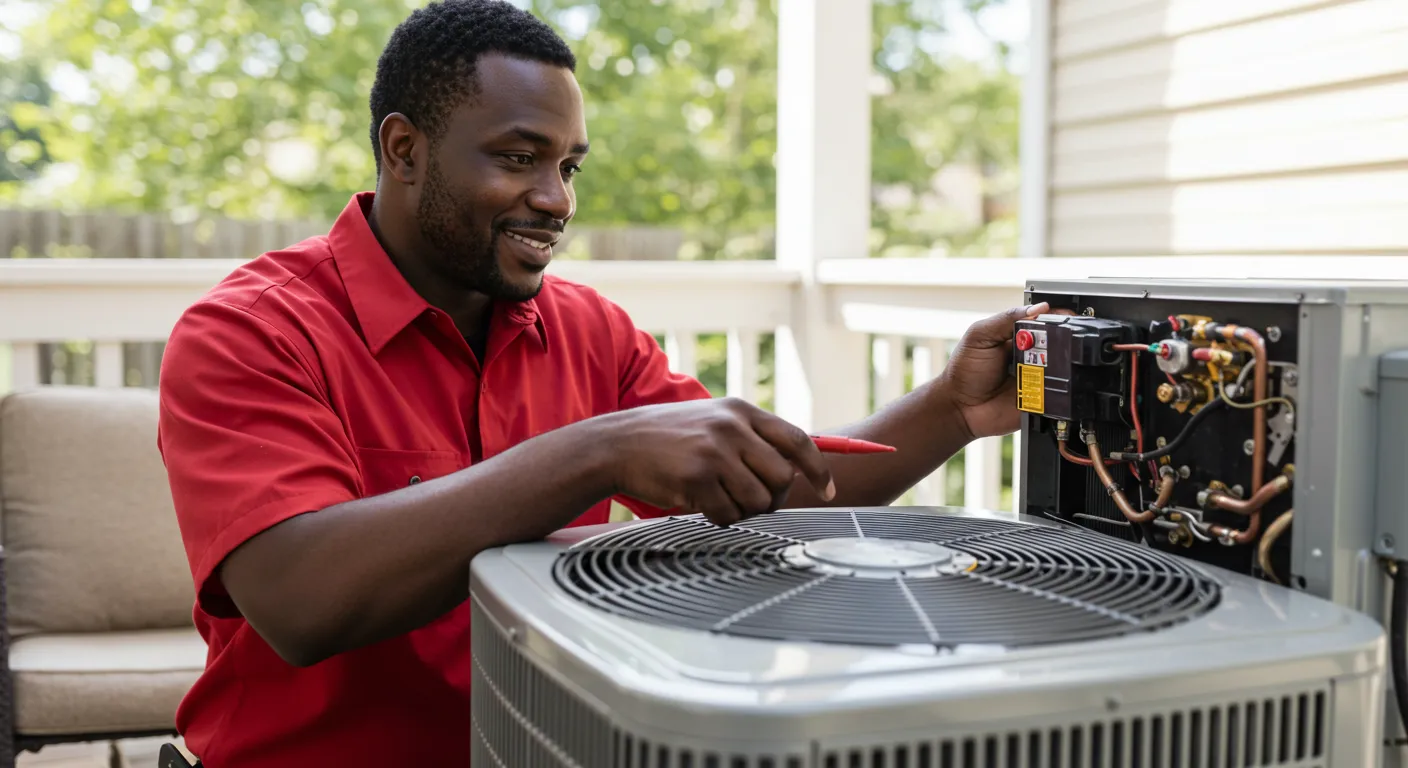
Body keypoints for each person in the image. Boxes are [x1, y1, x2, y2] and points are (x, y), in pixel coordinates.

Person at [155, 1, 1051, 765]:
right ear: (404, 151)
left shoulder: (591, 331)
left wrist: (951, 409)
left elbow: (778, 486)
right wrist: (599, 451)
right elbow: (301, 600)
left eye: (569, 165)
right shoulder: (249, 330)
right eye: (519, 157)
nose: (557, 198)